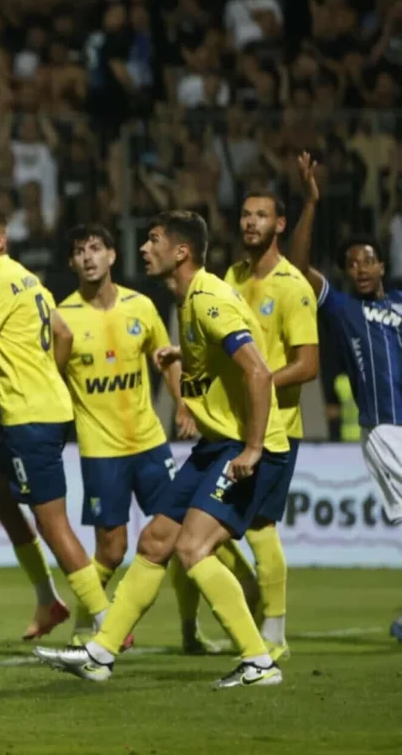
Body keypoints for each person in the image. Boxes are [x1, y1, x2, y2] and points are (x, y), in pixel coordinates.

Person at [35, 210, 290, 689]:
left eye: (153, 241)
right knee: (155, 541)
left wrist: (253, 448)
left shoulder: (208, 297)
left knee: (192, 548)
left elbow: (258, 372)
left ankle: (259, 660)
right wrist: (183, 358)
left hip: (245, 446)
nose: (144, 248)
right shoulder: (186, 301)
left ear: (181, 252)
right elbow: (230, 362)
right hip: (216, 444)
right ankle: (100, 652)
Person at [56, 222, 233, 652]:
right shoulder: (63, 318)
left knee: (176, 536)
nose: (88, 257)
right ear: (71, 262)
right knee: (112, 551)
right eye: (80, 251)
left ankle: (190, 631)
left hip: (151, 444)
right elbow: (54, 377)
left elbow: (170, 360)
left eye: (96, 248)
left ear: (113, 256)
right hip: (101, 452)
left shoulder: (141, 306)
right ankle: (87, 623)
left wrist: (184, 403)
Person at [0, 208, 113, 640]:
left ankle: (107, 622)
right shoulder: (27, 277)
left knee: (52, 524)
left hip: (30, 417)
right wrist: (47, 380)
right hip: (43, 409)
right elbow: (64, 334)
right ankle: (47, 601)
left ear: (0, 241)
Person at [286, 152, 402, 640]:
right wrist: (310, 202)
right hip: (386, 428)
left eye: (368, 260)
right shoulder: (343, 309)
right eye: (351, 263)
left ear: (382, 265)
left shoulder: (399, 303)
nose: (360, 268)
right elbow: (297, 267)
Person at [225, 188, 321, 660]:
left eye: (261, 216)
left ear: (280, 225)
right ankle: (252, 597)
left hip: (278, 429)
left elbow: (308, 364)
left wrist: (261, 383)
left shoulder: (293, 287)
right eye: (245, 215)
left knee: (259, 525)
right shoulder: (232, 277)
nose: (250, 223)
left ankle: (275, 633)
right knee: (198, 524)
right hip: (232, 426)